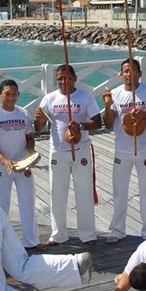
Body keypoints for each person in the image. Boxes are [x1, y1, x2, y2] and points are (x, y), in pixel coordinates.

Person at [34, 64, 102, 245]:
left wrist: (81, 126)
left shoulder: (85, 96)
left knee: (84, 192)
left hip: (81, 150)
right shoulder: (49, 99)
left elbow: (97, 122)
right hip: (58, 152)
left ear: (74, 78)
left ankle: (87, 235)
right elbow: (39, 129)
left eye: (67, 78)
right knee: (57, 193)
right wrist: (39, 118)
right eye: (60, 79)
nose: (64, 81)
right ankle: (58, 234)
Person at [102, 59, 146, 243]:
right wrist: (107, 106)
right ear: (121, 75)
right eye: (125, 71)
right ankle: (117, 230)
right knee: (119, 191)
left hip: (145, 149)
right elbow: (107, 124)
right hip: (122, 151)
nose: (129, 74)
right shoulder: (115, 94)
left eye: (132, 71)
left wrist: (145, 114)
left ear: (139, 73)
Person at [0, 80, 43, 249]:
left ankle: (31, 241)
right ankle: (2, 242)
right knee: (2, 204)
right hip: (3, 166)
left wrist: (30, 154)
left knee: (28, 202)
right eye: (7, 93)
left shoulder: (23, 113)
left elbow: (29, 138)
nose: (11, 97)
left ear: (18, 94)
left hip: (23, 164)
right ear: (0, 94)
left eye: (14, 94)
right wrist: (4, 160)